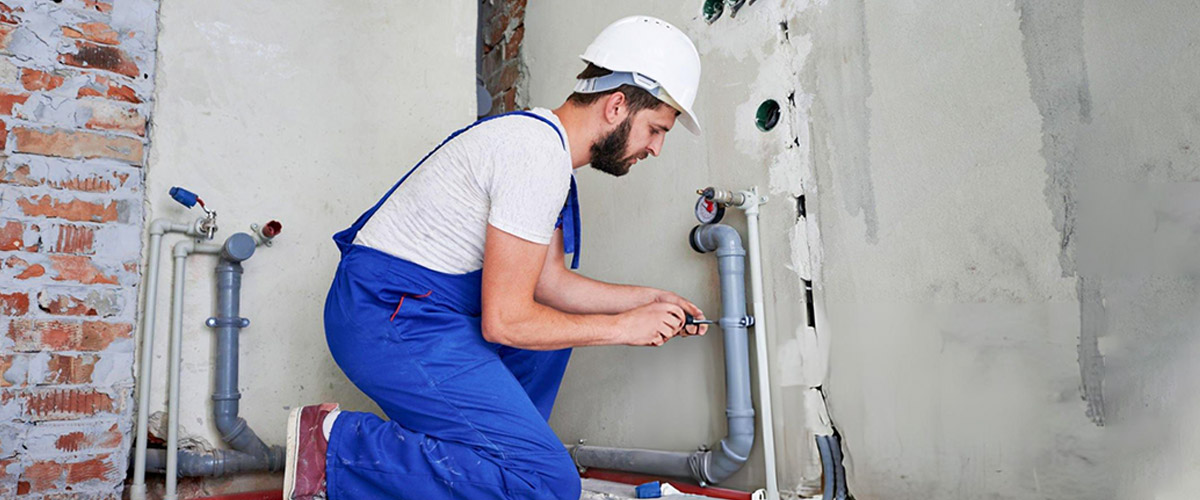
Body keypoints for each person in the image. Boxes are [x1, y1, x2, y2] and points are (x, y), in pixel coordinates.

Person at [284, 15, 706, 500]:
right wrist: (621, 329)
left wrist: (649, 302)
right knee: (546, 482)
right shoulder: (534, 157)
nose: (655, 148)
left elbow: (550, 285)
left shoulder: (544, 154)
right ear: (616, 106)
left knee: (551, 338)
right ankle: (335, 448)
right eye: (655, 129)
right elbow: (506, 322)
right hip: (386, 315)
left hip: (413, 310)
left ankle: (500, 462)